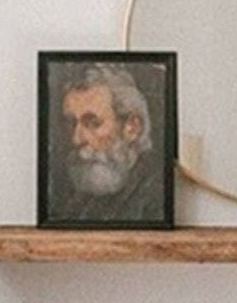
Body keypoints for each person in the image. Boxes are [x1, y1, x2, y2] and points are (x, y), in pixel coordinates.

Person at [51, 64, 165, 223]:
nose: (76, 139)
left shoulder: (157, 194)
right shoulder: (79, 198)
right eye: (71, 123)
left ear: (132, 128)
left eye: (93, 123)